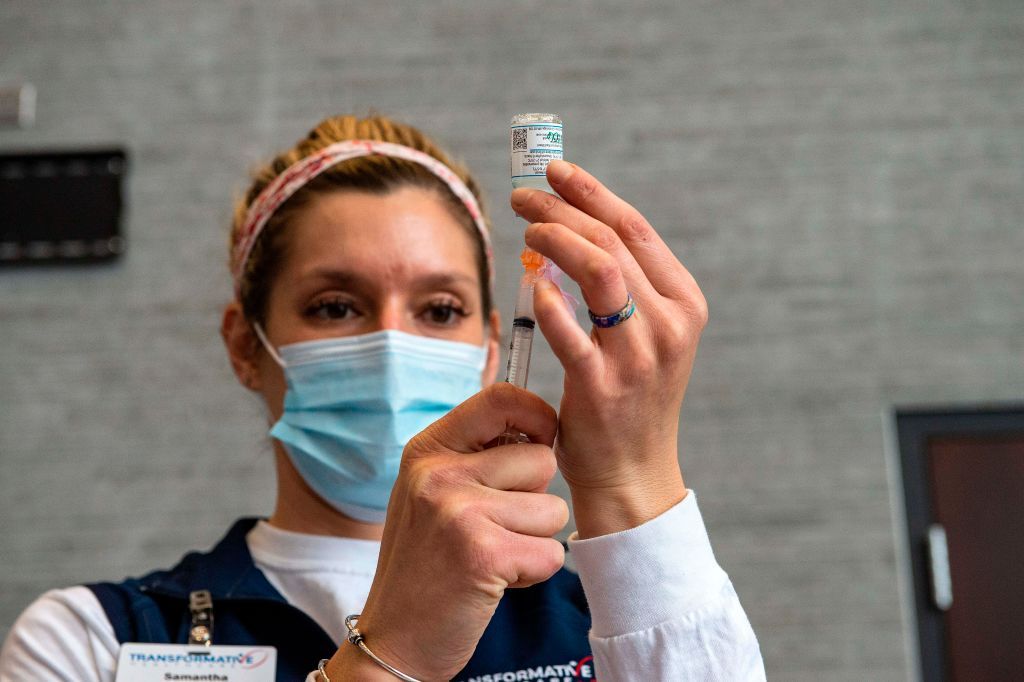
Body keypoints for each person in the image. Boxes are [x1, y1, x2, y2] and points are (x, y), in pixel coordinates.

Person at [0, 115, 765, 681]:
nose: (394, 346)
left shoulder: (598, 621)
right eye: (337, 306)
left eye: (439, 311)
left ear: (493, 347)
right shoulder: (92, 641)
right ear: (245, 345)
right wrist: (391, 650)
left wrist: (633, 487)